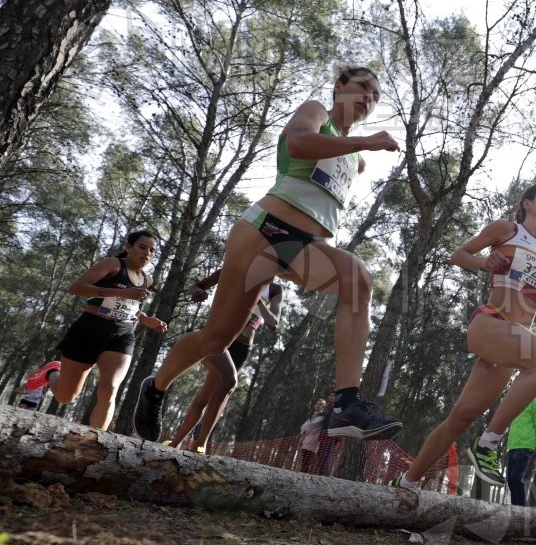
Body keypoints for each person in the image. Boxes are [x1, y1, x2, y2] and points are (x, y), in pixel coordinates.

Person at [133, 65, 402, 443]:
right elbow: (299, 145)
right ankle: (155, 387)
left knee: (358, 277)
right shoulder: (317, 113)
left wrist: (359, 149)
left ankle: (345, 402)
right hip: (263, 230)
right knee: (216, 341)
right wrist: (364, 142)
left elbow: (324, 200)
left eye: (375, 97)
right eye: (362, 87)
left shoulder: (356, 162)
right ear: (339, 86)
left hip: (305, 245)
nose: (368, 99)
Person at [391, 183, 536, 490]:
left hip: (516, 340)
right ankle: (489, 443)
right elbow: (458, 255)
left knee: (460, 418)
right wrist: (483, 262)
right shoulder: (507, 230)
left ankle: (407, 481)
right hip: (492, 322)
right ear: (527, 203)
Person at [54, 230, 168, 430]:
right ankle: (51, 373)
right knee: (66, 397)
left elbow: (131, 307)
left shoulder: (147, 280)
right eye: (142, 247)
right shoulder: (112, 264)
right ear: (128, 247)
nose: (147, 253)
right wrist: (120, 291)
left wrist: (145, 319)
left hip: (122, 335)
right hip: (89, 329)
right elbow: (76, 288)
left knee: (109, 389)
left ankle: (96, 444)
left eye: (152, 250)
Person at [163, 270, 283, 454]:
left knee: (213, 394)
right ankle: (190, 444)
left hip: (242, 348)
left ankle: (186, 445)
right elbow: (197, 285)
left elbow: (273, 324)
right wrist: (197, 292)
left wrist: (257, 299)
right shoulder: (236, 269)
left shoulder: (275, 290)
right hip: (219, 339)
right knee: (229, 381)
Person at [506, 396, 536, 506]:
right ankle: (515, 508)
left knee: (516, 478)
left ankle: (521, 510)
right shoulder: (517, 401)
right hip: (512, 446)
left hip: (526, 445)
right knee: (510, 481)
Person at [298, 398, 328, 473]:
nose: (318, 405)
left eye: (320, 404)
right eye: (317, 403)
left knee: (308, 459)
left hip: (314, 439)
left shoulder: (323, 417)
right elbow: (304, 427)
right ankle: (302, 473)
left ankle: (304, 474)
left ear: (323, 407)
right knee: (304, 457)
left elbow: (310, 426)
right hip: (306, 439)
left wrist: (305, 430)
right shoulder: (312, 416)